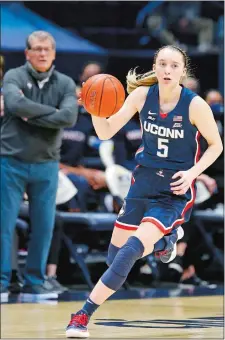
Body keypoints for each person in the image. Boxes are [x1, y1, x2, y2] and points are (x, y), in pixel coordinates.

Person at [65, 45, 223, 338]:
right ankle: (165, 244)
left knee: (128, 253)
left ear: (182, 71)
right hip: (142, 185)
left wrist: (192, 174)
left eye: (174, 66)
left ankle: (82, 315)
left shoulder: (194, 104)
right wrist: (96, 109)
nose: (167, 70)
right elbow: (105, 131)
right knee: (115, 258)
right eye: (162, 64)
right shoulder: (140, 96)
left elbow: (217, 146)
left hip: (172, 191)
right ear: (155, 66)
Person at [0, 31, 77, 301]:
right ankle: (1, 282)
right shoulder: (14, 76)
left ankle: (35, 281)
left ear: (54, 53)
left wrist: (29, 116)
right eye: (37, 49)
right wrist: (51, 114)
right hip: (10, 161)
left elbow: (69, 116)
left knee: (44, 226)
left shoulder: (66, 83)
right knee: (4, 225)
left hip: (47, 165)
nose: (42, 53)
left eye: (47, 49)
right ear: (27, 53)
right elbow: (13, 102)